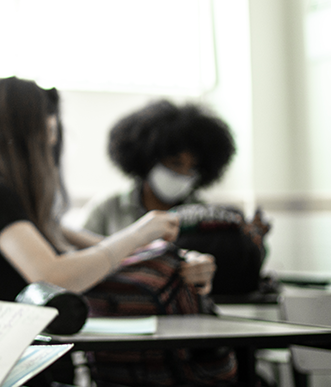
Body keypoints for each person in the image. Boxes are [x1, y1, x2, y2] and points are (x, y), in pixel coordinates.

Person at [0, 78, 197, 302]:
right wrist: (140, 232)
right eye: (48, 130)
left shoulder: (0, 201)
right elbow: (54, 276)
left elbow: (100, 250)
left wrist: (182, 260)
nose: (53, 142)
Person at [80, 100, 268, 294]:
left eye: (192, 168)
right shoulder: (107, 209)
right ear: (147, 161)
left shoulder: (205, 216)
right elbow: (80, 262)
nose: (183, 174)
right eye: (175, 163)